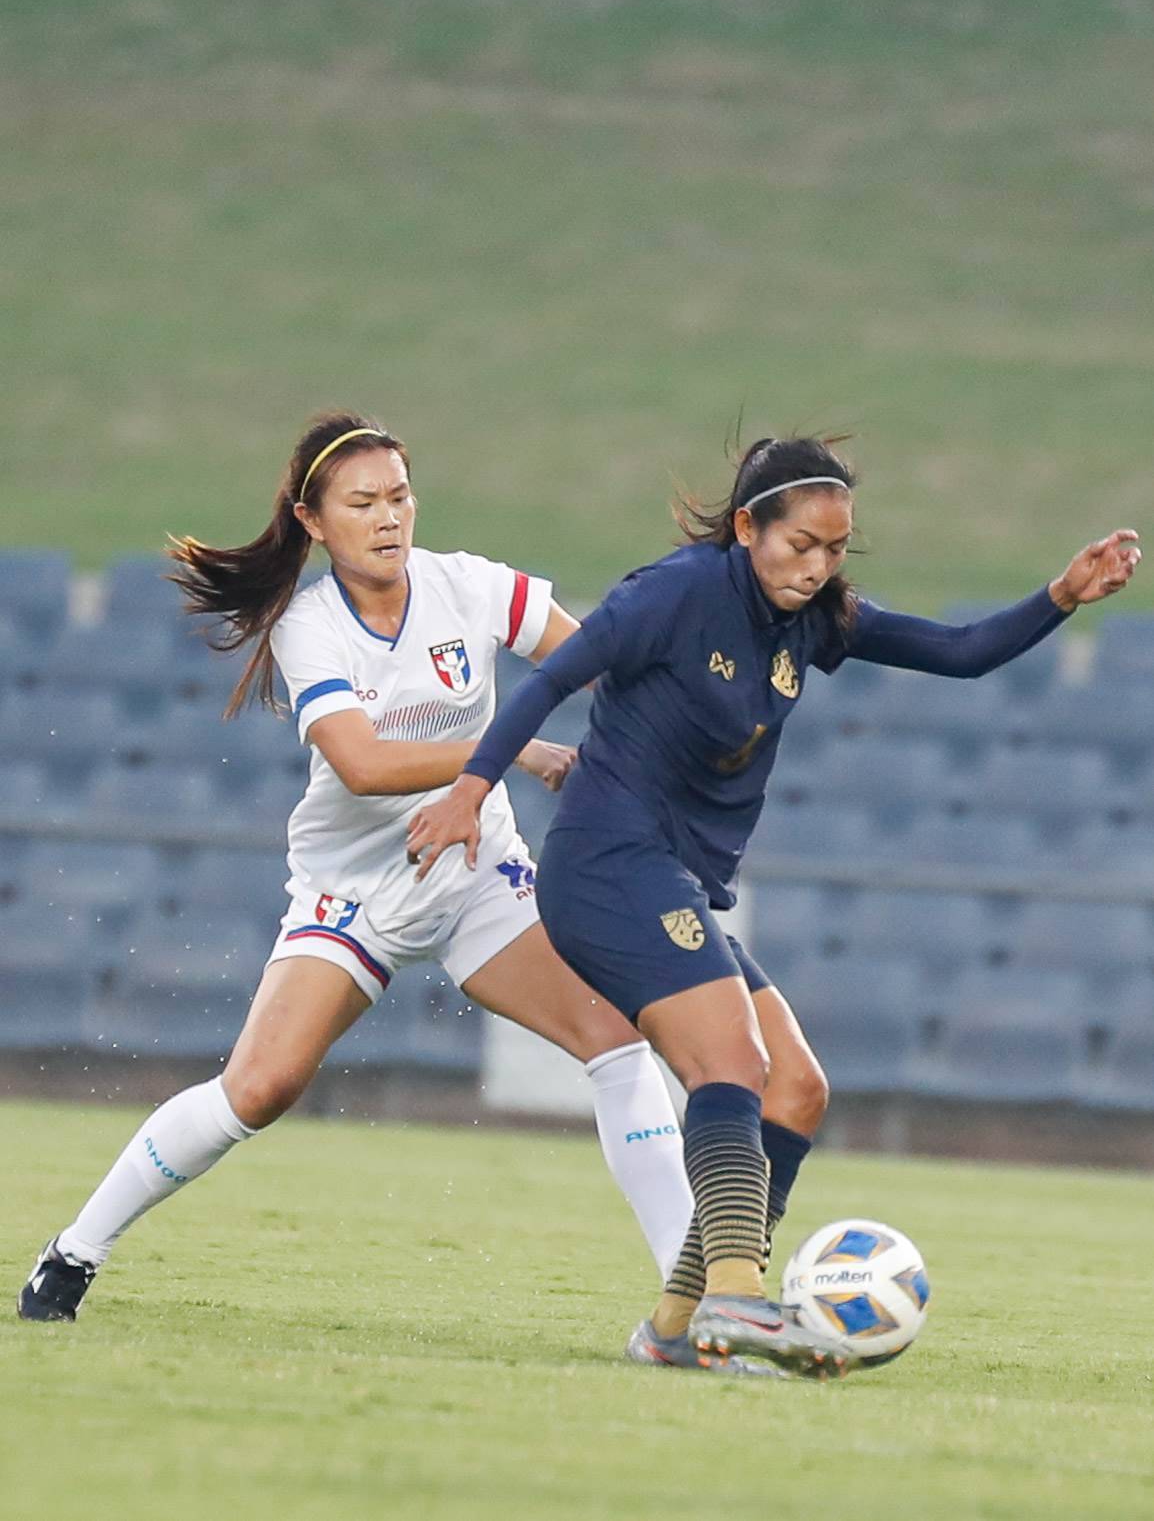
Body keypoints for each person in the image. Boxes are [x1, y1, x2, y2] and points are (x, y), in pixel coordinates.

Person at [406, 433, 1142, 1377]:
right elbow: (550, 677)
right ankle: (740, 1300)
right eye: (802, 545)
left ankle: (675, 1330)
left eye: (836, 549)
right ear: (748, 527)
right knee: (732, 1062)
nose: (820, 566)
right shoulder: (675, 592)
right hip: (603, 863)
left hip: (665, 876)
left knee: (796, 1087)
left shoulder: (814, 618)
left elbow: (957, 652)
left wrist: (1060, 598)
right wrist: (473, 786)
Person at [18, 412, 705, 1346]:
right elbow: (364, 765)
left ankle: (685, 1301)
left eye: (400, 496)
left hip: (473, 872)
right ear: (313, 520)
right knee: (256, 1089)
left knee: (616, 1038)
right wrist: (519, 754)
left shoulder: (471, 587)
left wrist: (678, 711)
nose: (389, 518)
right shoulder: (310, 628)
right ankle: (73, 1251)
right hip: (355, 896)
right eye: (362, 503)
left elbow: (595, 664)